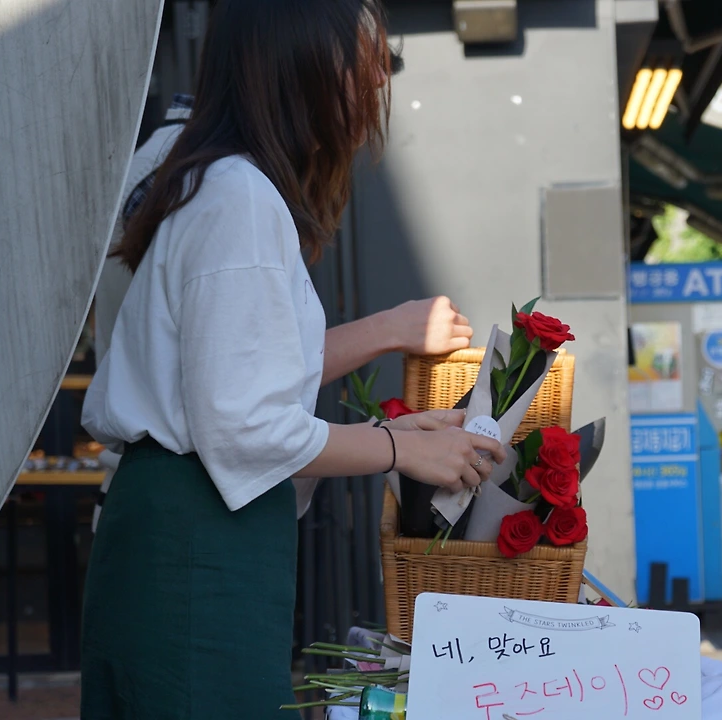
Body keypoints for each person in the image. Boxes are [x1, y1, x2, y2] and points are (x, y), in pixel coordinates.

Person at [77, 2, 507, 717]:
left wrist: (400, 436)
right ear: (300, 57)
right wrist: (399, 447)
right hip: (195, 544)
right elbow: (244, 426)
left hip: (187, 536)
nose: (376, 83)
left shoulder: (225, 185)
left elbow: (242, 396)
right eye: (362, 59)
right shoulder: (239, 196)